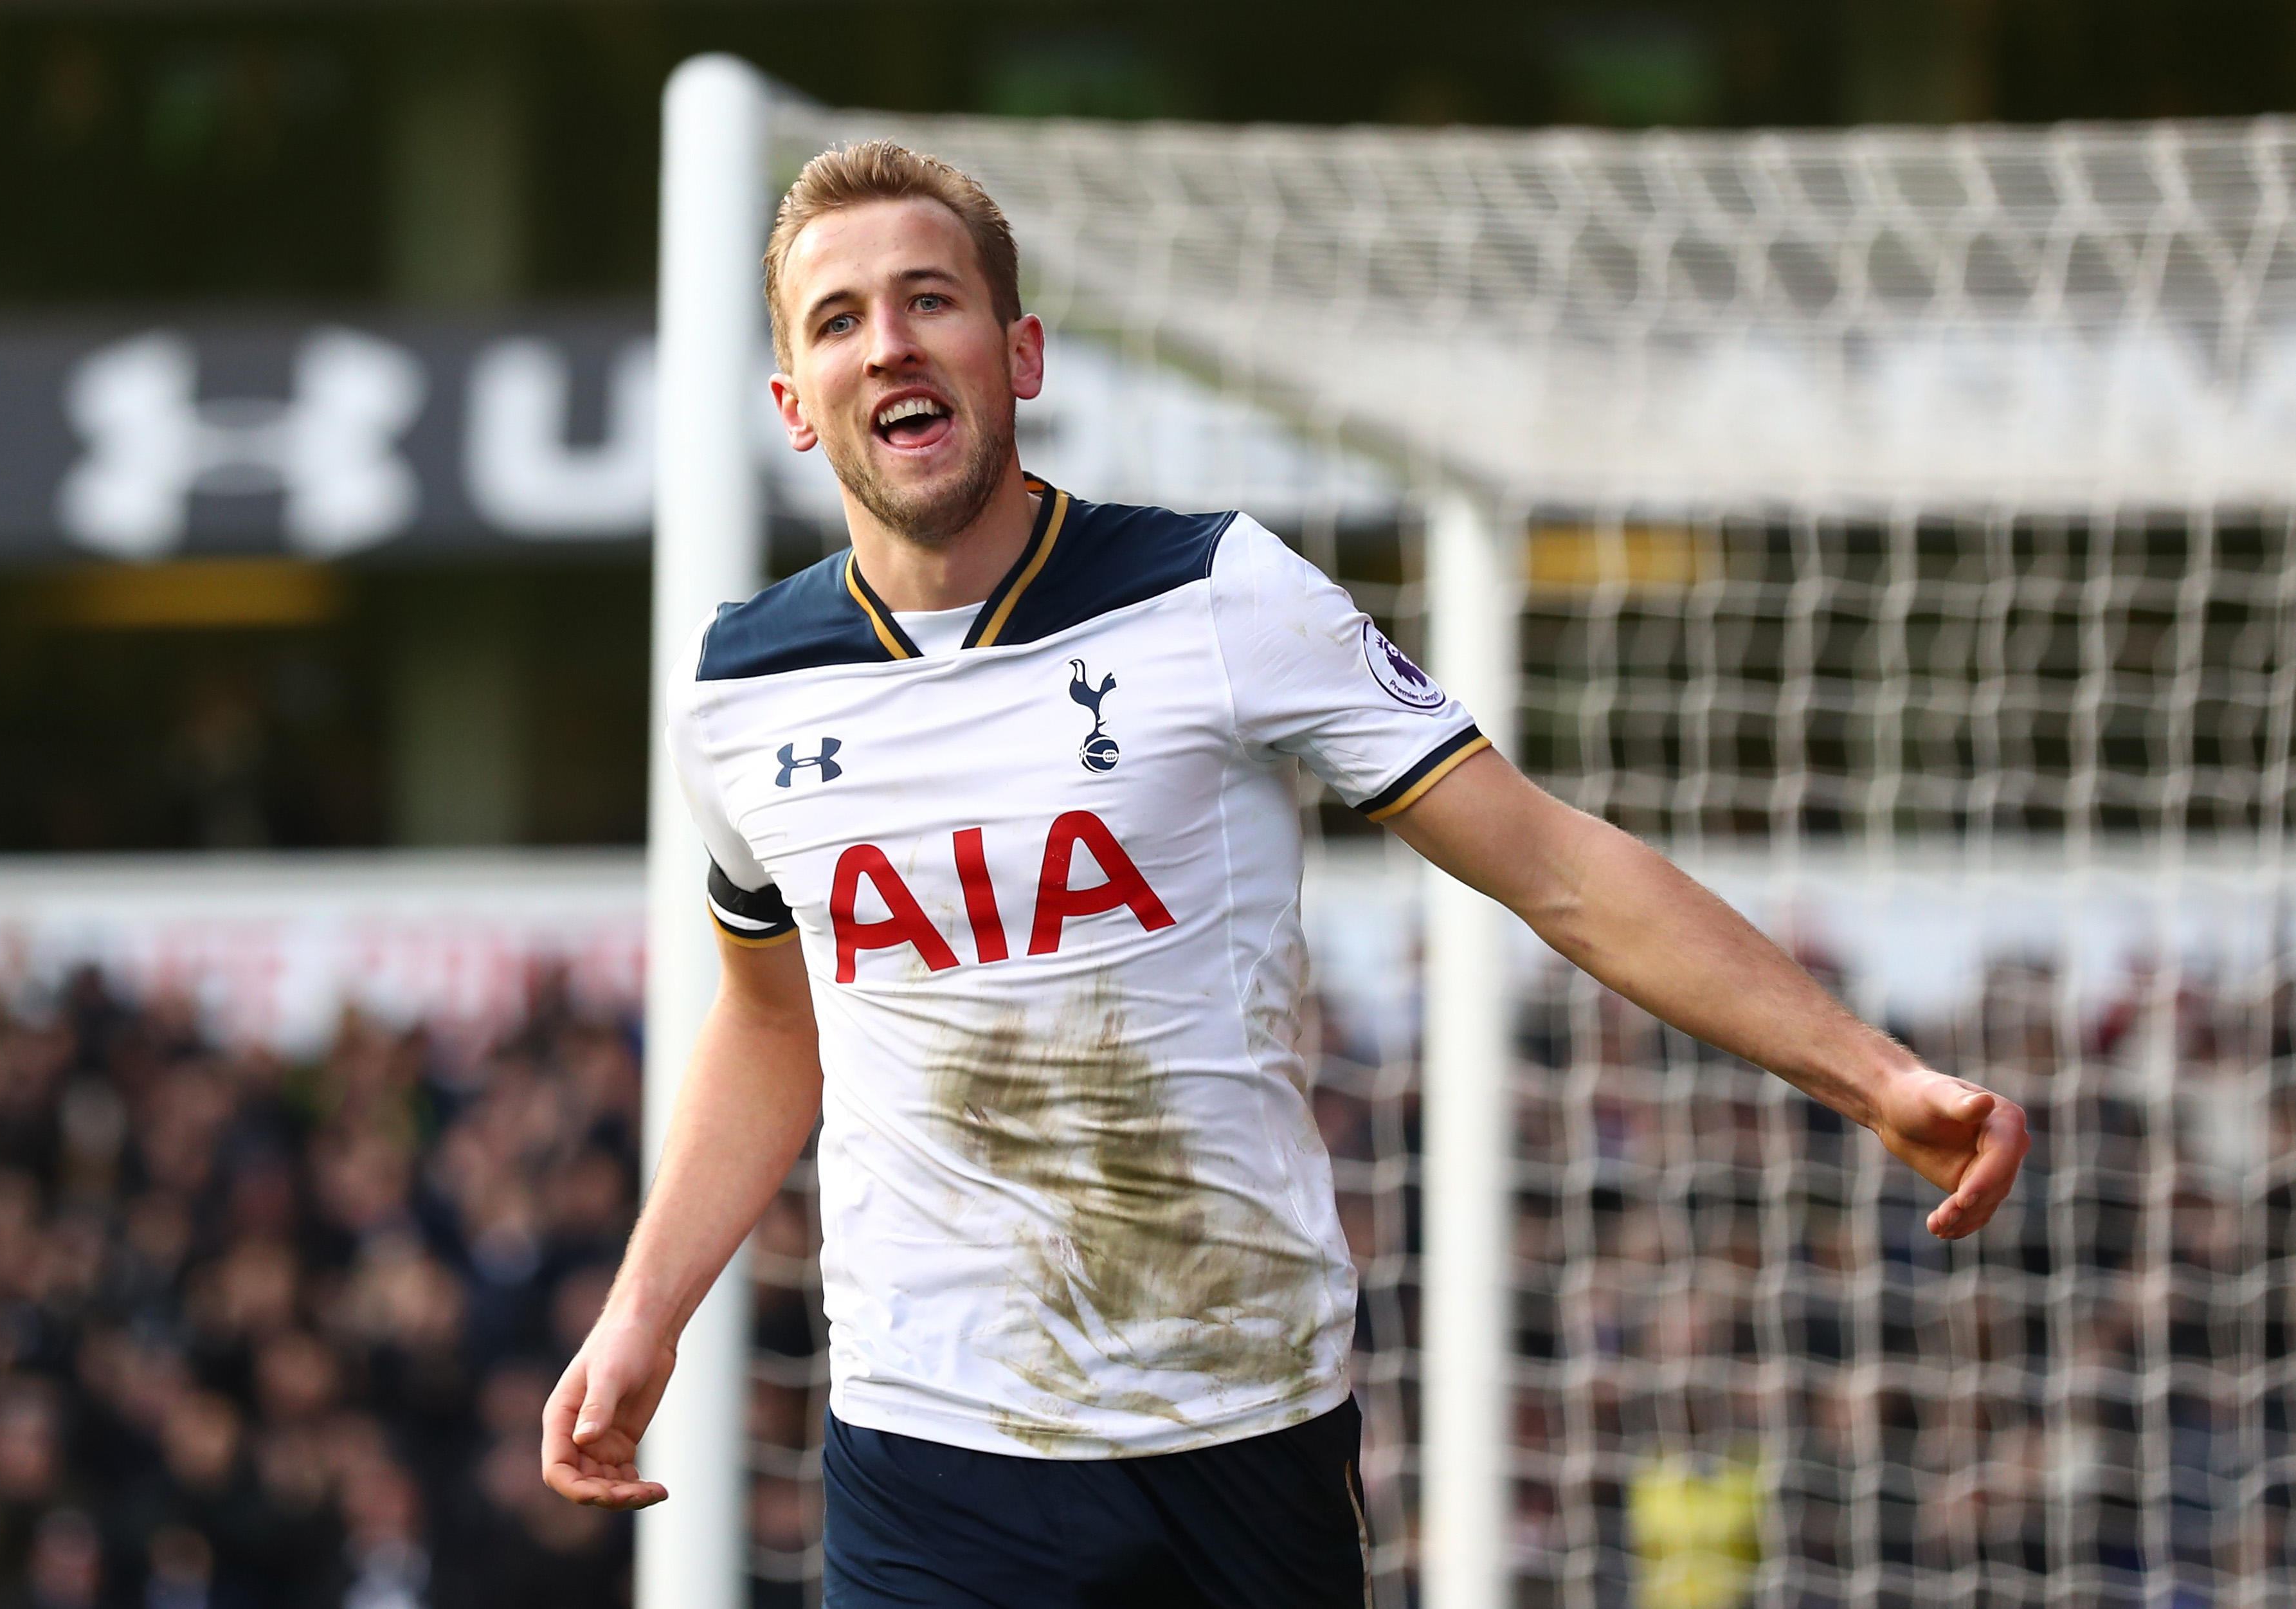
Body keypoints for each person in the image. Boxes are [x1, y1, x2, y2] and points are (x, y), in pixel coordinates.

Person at [541, 141, 2030, 1605]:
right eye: (839, 320)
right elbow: (771, 1018)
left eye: (930, 299)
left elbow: (1552, 865)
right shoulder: (741, 690)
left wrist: (1869, 1073)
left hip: (1241, 1422)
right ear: (796, 405)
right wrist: (644, 1313)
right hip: (930, 1446)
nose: (890, 345)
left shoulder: (1216, 594)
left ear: (1019, 350)